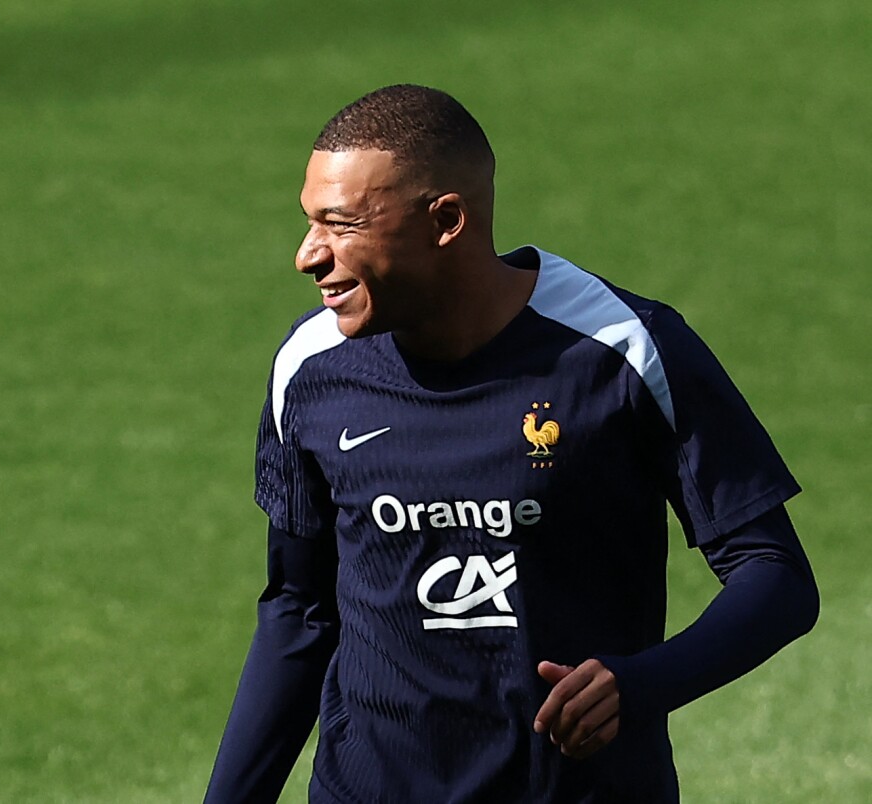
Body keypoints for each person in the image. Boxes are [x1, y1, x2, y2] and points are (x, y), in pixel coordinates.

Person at [204, 85, 818, 803]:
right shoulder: (310, 369)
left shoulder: (623, 350)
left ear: (446, 221)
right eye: (311, 222)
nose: (308, 254)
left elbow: (775, 575)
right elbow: (300, 612)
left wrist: (641, 683)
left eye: (341, 225)